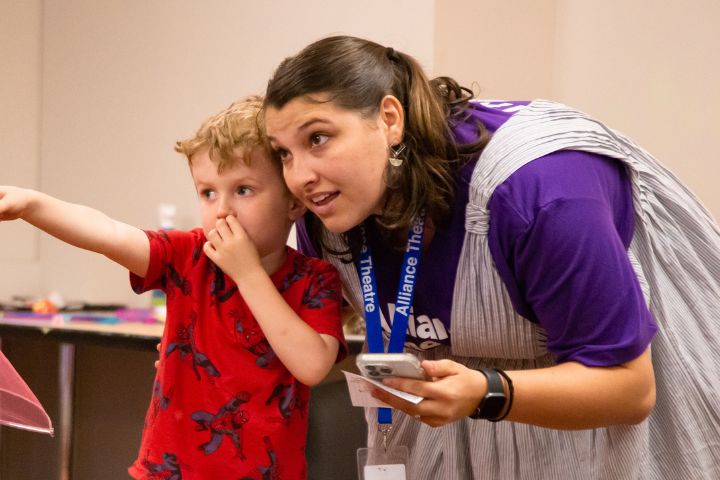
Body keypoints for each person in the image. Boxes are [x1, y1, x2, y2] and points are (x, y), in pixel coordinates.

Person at [261, 35, 720, 479]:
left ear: (389, 118)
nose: (300, 176)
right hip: (455, 422)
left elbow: (629, 388)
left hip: (607, 408)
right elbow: (332, 340)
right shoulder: (328, 211)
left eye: (318, 138)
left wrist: (487, 392)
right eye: (283, 153)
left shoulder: (541, 194)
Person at [0, 96, 347, 479]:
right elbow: (108, 233)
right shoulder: (187, 255)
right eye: (208, 192)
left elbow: (312, 366)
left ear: (294, 203)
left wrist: (248, 273)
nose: (222, 209)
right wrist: (32, 205)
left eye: (243, 190)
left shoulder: (315, 279)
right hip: (168, 471)